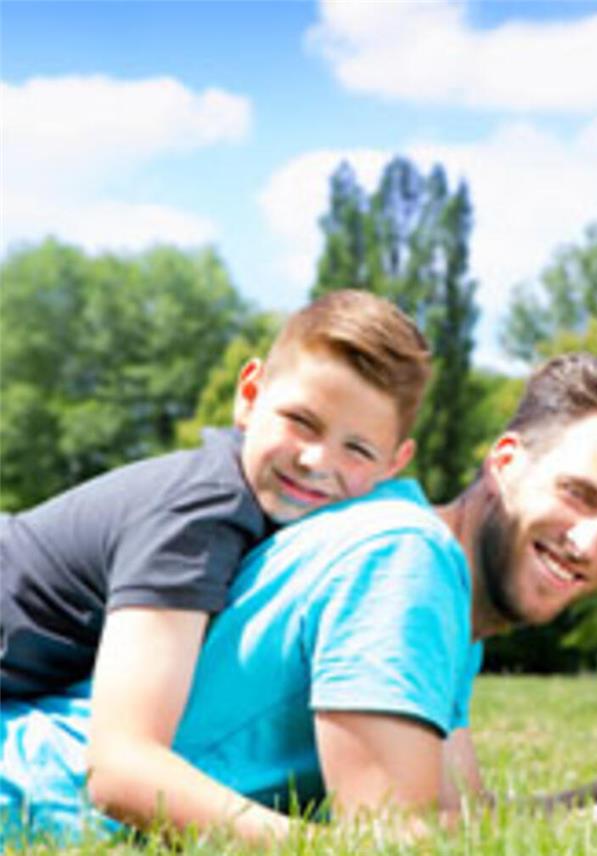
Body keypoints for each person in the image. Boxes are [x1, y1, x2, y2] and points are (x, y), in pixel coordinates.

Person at [1, 352, 597, 846]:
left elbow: (464, 819)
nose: (590, 544)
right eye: (577, 494)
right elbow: (390, 838)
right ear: (505, 462)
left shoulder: (433, 575)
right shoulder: (403, 560)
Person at [1, 290, 429, 838]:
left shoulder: (309, 530)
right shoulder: (201, 516)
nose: (318, 461)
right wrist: (314, 847)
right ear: (249, 395)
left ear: (395, 463)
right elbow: (117, 766)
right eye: (302, 421)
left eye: (358, 450)